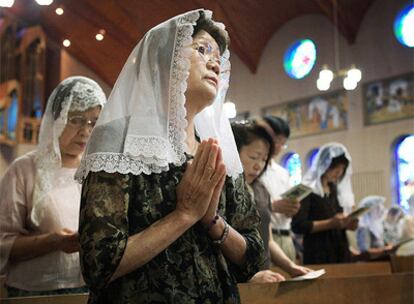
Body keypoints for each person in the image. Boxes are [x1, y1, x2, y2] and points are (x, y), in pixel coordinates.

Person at [75, 10, 264, 303]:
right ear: (165, 62)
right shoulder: (118, 138)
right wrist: (184, 215)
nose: (215, 62)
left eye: (218, 57)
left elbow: (252, 258)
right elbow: (98, 265)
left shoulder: (215, 149)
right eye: (202, 49)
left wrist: (213, 222)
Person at [0, 76, 106, 297]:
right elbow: (3, 241)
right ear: (57, 118)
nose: (86, 131)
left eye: (93, 121)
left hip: (90, 289)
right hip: (35, 292)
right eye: (76, 119)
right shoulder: (24, 170)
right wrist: (52, 242)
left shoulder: (97, 170)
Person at [232, 121, 311, 283]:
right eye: (253, 157)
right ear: (233, 151)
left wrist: (290, 266)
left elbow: (267, 240)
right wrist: (248, 276)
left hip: (263, 273)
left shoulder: (261, 189)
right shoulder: (226, 189)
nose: (258, 166)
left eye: (263, 160)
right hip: (237, 277)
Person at [292, 142, 358, 264]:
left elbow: (338, 217)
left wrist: (348, 223)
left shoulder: (334, 189)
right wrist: (330, 223)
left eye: (342, 169)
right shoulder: (304, 188)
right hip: (318, 250)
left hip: (338, 246)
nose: (339, 173)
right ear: (324, 165)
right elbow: (298, 225)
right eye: (336, 168)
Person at [257, 116, 300, 262]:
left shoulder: (283, 172)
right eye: (276, 141)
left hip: (286, 235)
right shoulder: (255, 169)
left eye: (283, 143)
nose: (278, 147)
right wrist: (273, 206)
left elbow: (288, 207)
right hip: (265, 235)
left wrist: (292, 209)